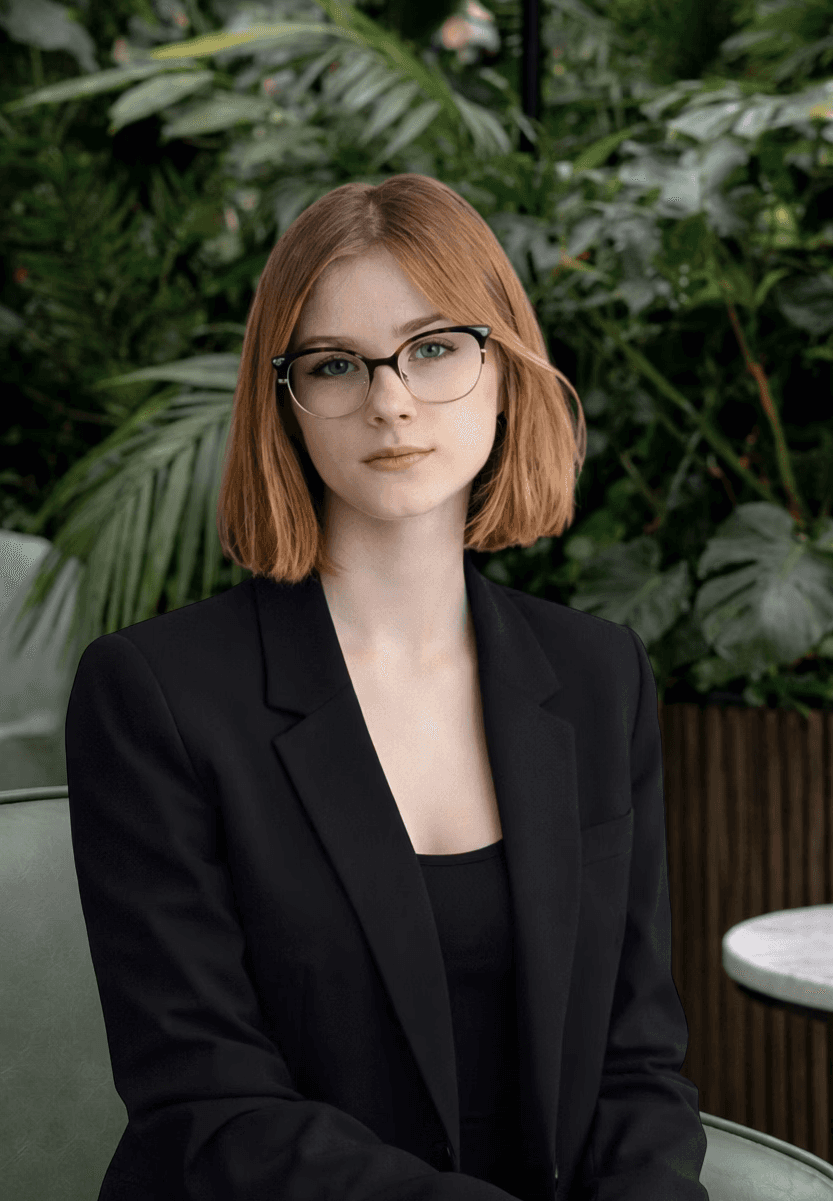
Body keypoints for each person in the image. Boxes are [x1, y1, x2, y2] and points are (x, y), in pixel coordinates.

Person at [65, 173, 709, 1201]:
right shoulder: (155, 697)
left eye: (435, 347)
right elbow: (208, 1103)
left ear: (503, 368)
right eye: (334, 365)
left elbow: (633, 1066)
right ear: (284, 400)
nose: (390, 399)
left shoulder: (597, 676)